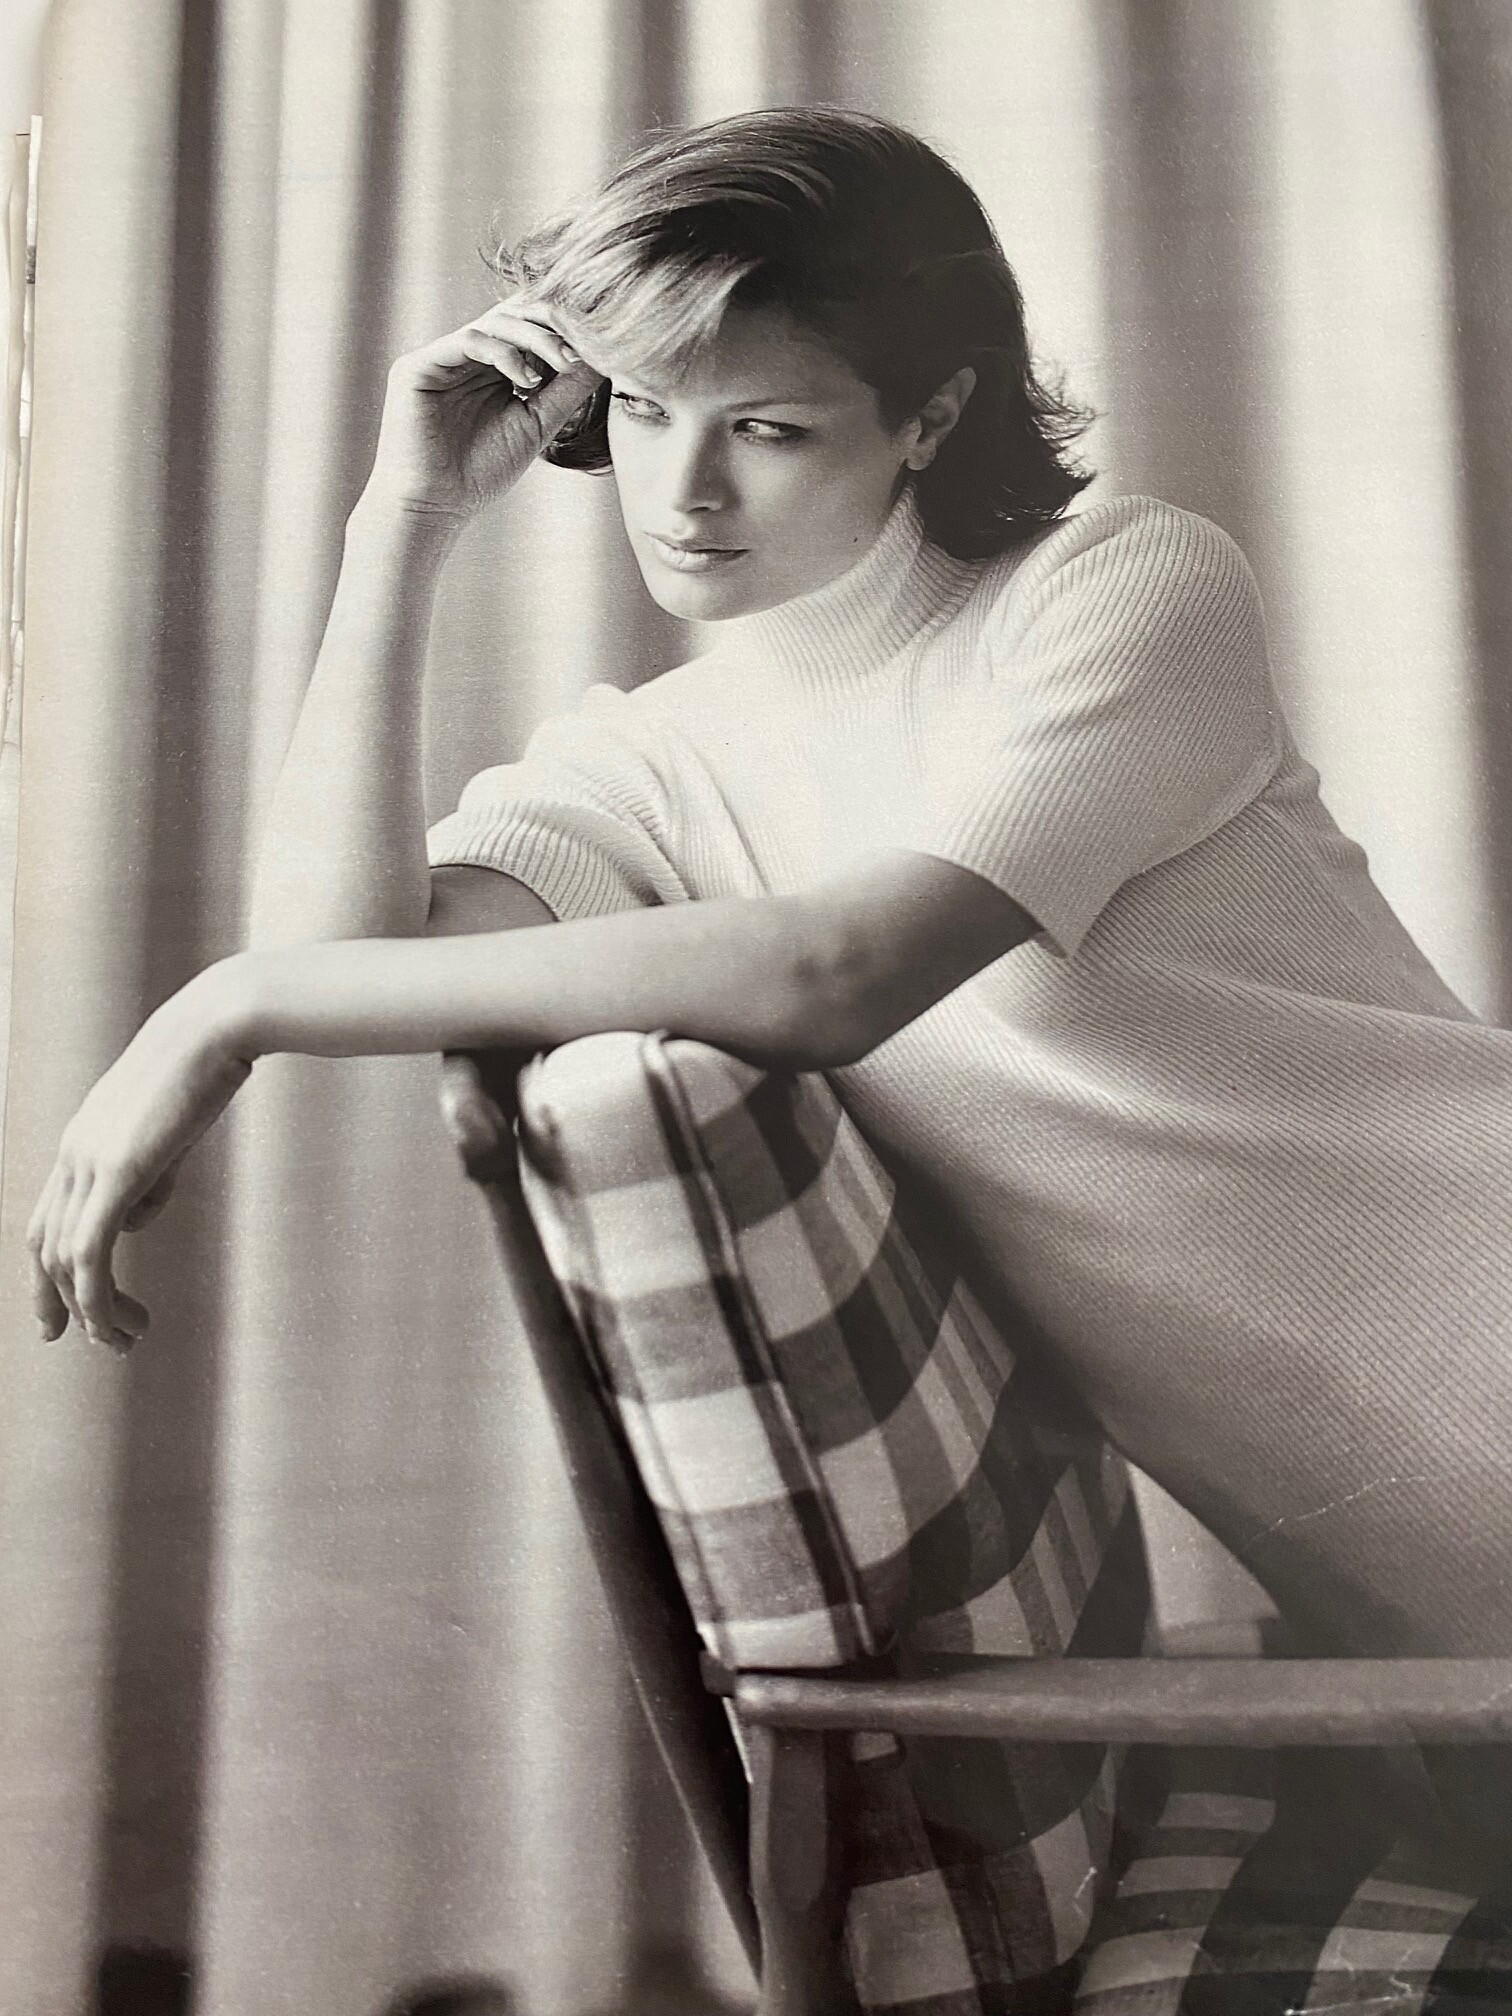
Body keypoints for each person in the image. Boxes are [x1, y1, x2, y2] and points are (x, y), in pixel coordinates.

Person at [25, 108, 1512, 1700]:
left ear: (931, 418)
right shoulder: (645, 768)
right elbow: (342, 962)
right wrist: (405, 523)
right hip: (1418, 1584)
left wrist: (225, 1008)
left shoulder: (1118, 584)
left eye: (770, 429)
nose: (683, 491)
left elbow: (840, 974)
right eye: (643, 408)